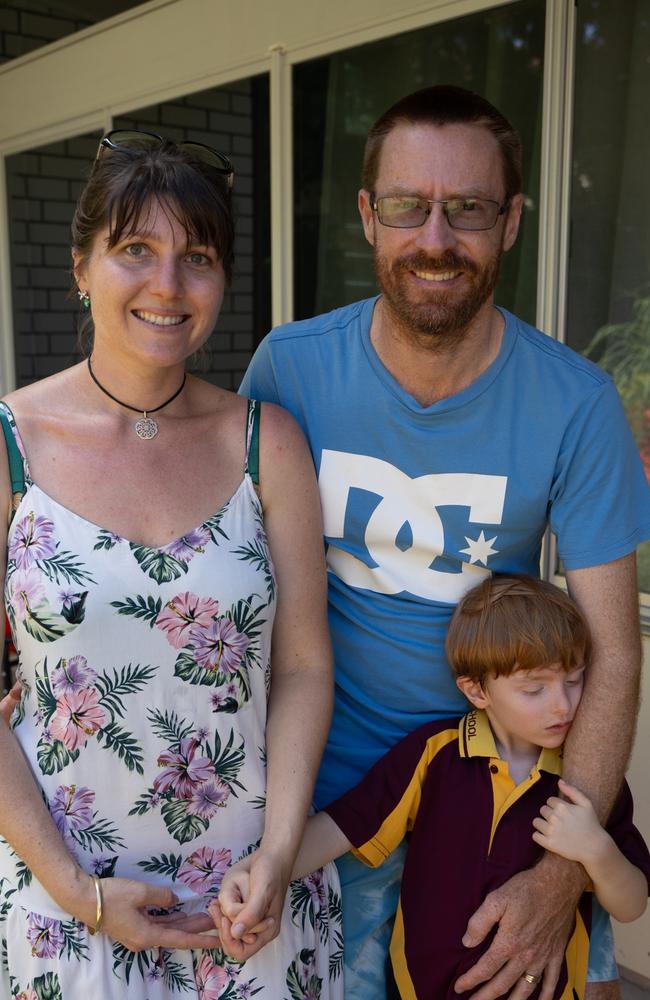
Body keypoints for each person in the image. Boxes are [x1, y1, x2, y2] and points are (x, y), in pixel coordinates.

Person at [239, 85, 650, 999]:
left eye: (466, 209)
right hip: (319, 812)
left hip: (495, 815)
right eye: (405, 207)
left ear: (510, 223)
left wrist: (562, 872)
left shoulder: (575, 405)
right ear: (367, 218)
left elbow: (615, 653)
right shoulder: (291, 367)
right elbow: (230, 580)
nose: (434, 237)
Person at [0, 130, 343, 999]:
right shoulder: (11, 447)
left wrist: (277, 856)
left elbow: (303, 665)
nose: (168, 285)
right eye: (135, 251)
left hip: (251, 910)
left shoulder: (268, 442)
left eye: (197, 257)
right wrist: (79, 894)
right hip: (67, 905)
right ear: (80, 267)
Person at [215, 575, 650, 999]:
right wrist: (261, 874)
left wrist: (595, 849)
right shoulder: (434, 755)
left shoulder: (584, 776)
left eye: (574, 681)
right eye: (534, 688)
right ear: (476, 690)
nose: (563, 704)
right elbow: (343, 828)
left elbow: (632, 904)